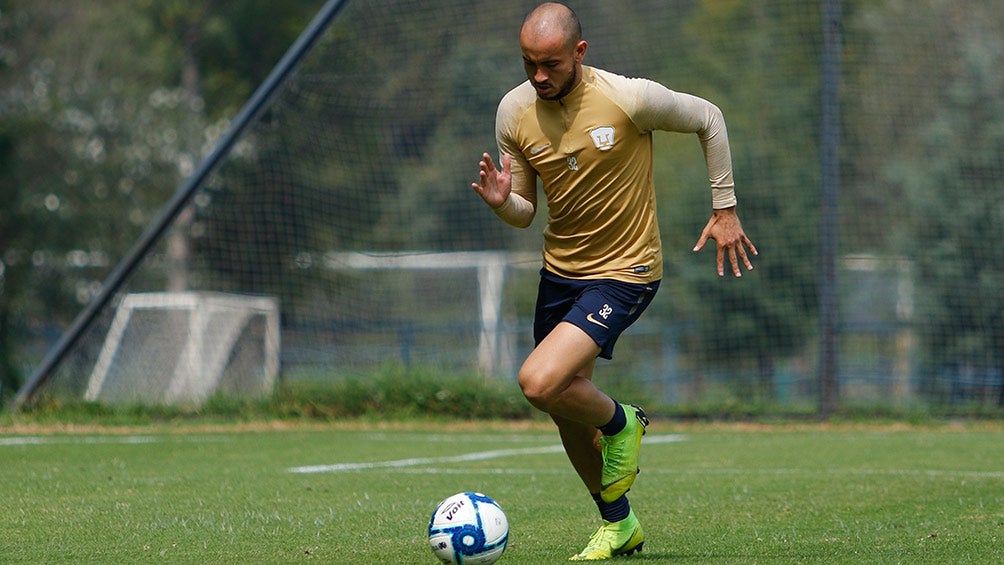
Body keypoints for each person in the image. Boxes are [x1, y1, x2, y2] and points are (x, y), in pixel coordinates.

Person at [471, 2, 757, 560]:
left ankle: (624, 422)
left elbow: (709, 118)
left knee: (536, 381)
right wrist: (504, 203)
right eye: (529, 63)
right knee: (559, 402)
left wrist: (725, 207)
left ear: (579, 53)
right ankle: (619, 524)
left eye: (550, 63)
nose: (538, 76)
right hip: (560, 273)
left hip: (626, 272)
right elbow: (527, 209)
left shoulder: (629, 98)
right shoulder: (514, 110)